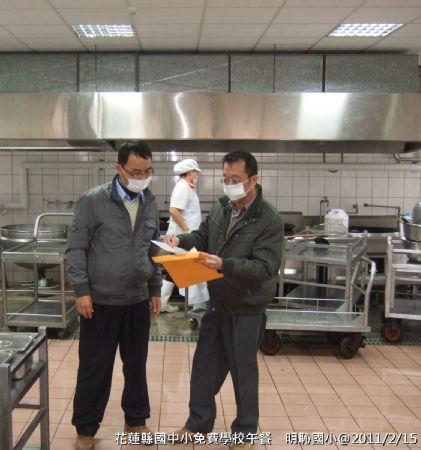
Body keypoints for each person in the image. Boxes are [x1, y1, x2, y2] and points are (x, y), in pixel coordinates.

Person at [165, 150, 283, 450]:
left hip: (246, 308)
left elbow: (265, 268)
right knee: (203, 367)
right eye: (225, 179)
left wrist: (224, 265)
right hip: (218, 302)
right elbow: (202, 237)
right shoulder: (221, 208)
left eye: (236, 179)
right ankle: (197, 424)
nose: (230, 185)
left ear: (253, 180)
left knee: (243, 372)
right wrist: (181, 241)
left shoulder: (268, 219)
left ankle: (244, 433)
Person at [66, 140, 162, 450]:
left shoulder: (150, 202)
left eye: (147, 172)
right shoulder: (93, 201)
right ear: (119, 169)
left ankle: (136, 420)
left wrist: (155, 289)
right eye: (135, 172)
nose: (142, 178)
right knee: (95, 366)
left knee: (136, 365)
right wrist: (81, 290)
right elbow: (76, 249)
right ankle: (85, 429)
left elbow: (154, 249)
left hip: (136, 299)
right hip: (101, 301)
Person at [160, 159, 209, 313]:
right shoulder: (183, 187)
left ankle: (162, 303)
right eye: (196, 172)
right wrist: (187, 230)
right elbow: (174, 211)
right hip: (183, 238)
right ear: (189, 172)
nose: (197, 174)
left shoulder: (187, 187)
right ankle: (198, 305)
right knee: (195, 268)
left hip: (184, 237)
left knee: (175, 269)